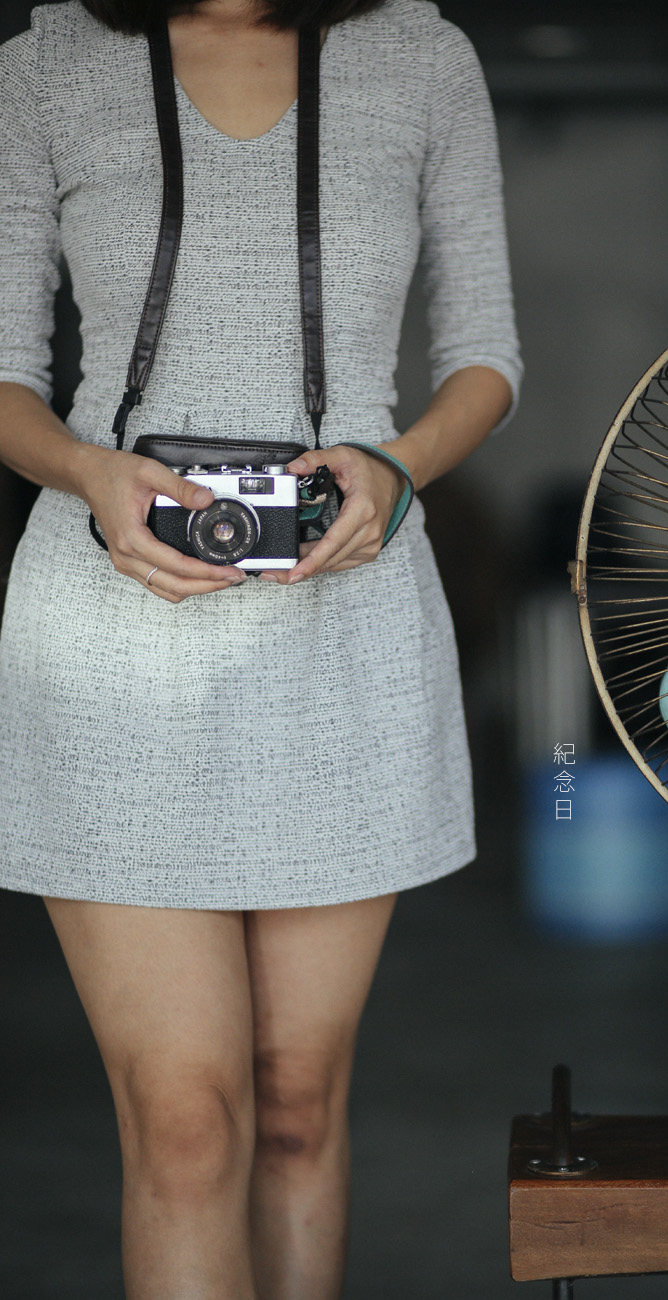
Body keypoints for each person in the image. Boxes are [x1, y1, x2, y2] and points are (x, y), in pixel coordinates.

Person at [0, 0, 521, 1295]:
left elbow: (485, 358)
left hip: (345, 626)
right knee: (186, 1126)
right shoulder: (48, 65)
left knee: (294, 1106)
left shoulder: (420, 57)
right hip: (112, 631)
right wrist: (89, 471)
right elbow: (2, 375)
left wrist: (396, 469)